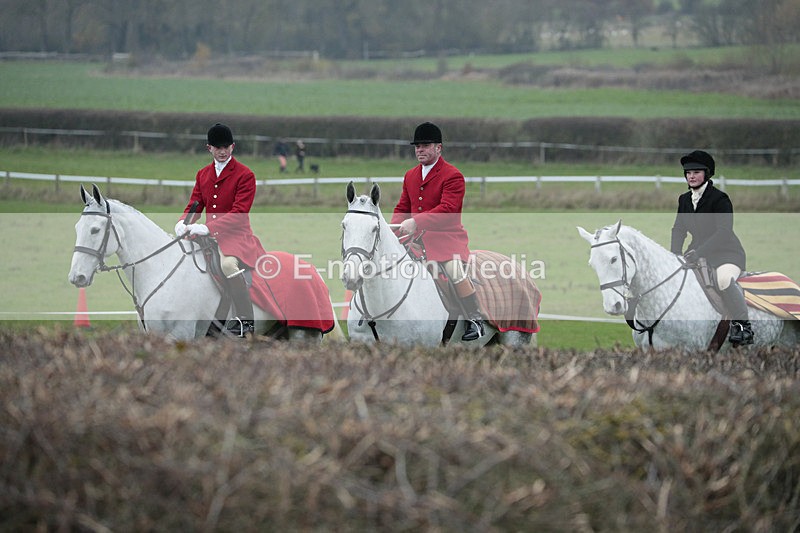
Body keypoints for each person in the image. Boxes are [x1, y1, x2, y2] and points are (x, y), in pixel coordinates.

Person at [391, 121, 484, 341]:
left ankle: (475, 319)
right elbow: (403, 207)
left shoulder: (453, 176)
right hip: (414, 240)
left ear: (438, 148)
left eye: (425, 145)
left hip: (446, 239)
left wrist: (416, 222)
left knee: (454, 271)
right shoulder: (410, 175)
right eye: (417, 146)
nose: (420, 150)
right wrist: (393, 229)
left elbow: (448, 209)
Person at [175, 123, 267, 338]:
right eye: (218, 147)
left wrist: (206, 227)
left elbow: (238, 213)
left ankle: (246, 322)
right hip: (206, 236)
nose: (222, 151)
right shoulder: (202, 174)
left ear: (233, 147)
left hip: (236, 237)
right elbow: (195, 204)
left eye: (226, 147)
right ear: (209, 149)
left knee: (227, 265)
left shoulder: (246, 175)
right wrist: (183, 222)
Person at [670, 149, 754, 346]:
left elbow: (723, 232)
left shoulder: (720, 199)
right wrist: (674, 254)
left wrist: (698, 253)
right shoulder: (684, 200)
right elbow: (678, 229)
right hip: (696, 255)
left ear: (706, 174)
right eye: (688, 173)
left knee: (723, 280)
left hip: (726, 255)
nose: (691, 176)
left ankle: (743, 327)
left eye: (696, 172)